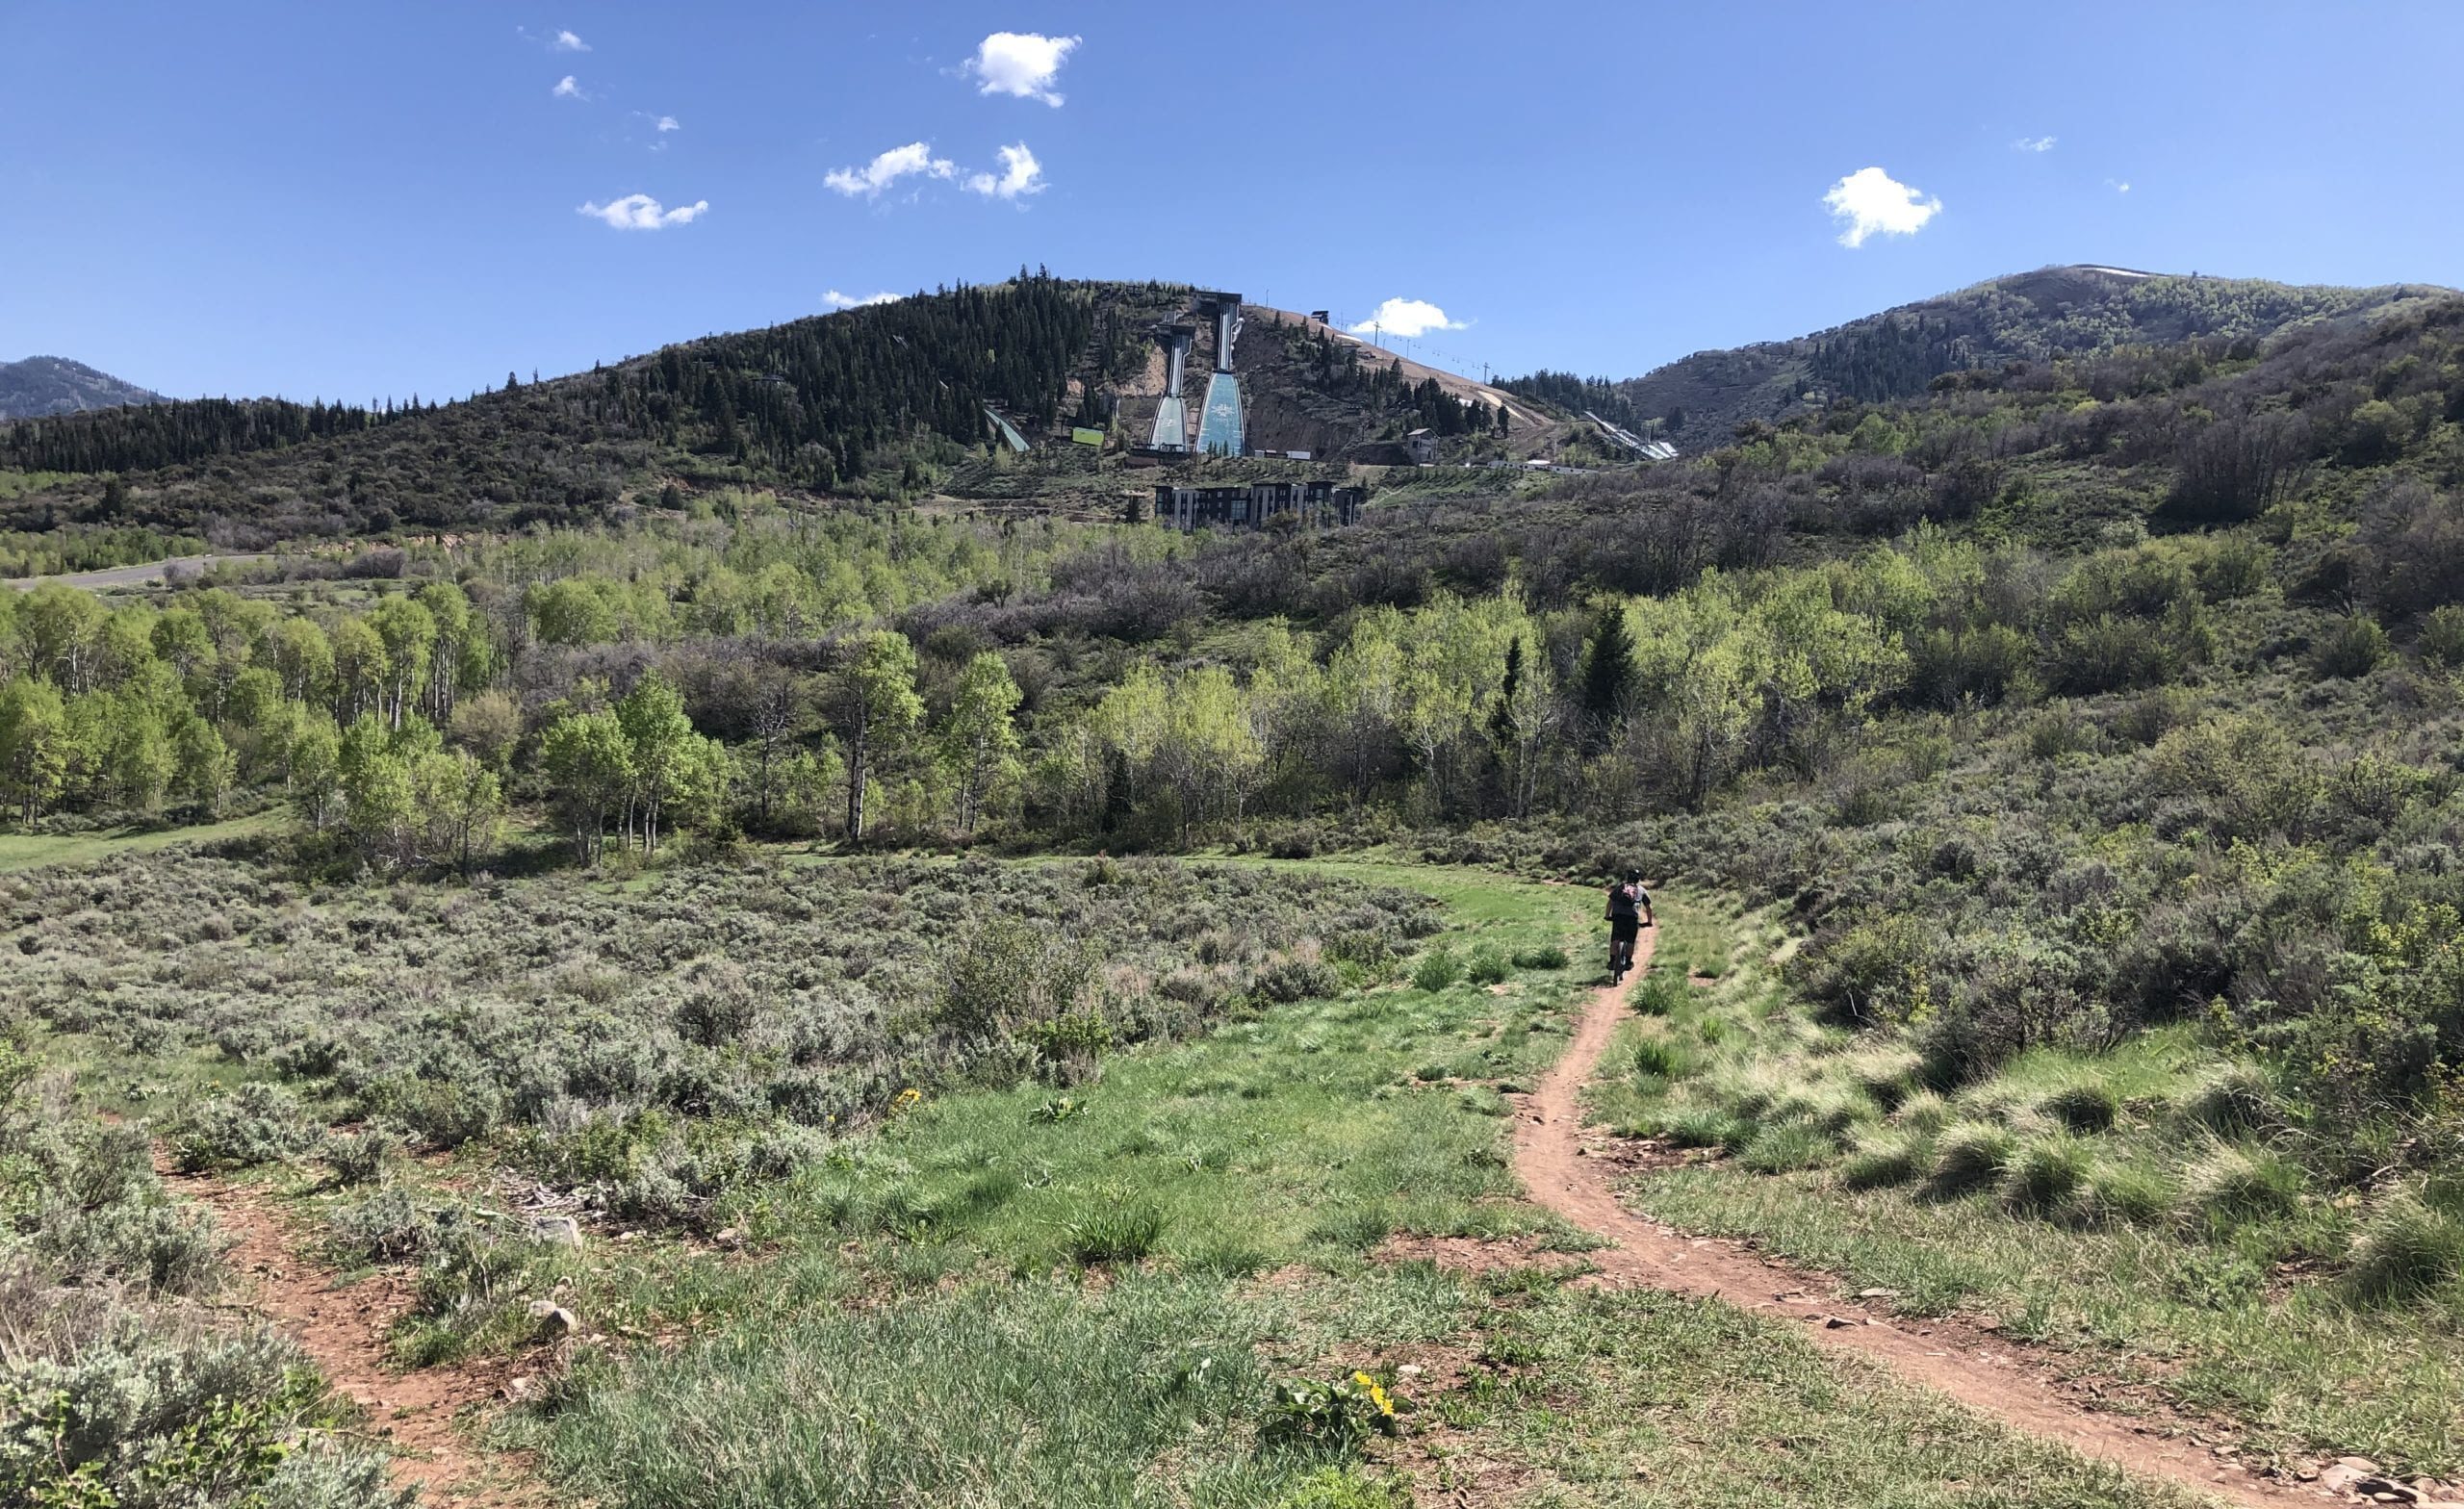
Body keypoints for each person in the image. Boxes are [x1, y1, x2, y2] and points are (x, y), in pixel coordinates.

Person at [1604, 870, 1655, 984]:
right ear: (1638, 879)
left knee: (1615, 938)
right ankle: (1628, 962)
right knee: (1630, 941)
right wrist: (1649, 921)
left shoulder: (1620, 887)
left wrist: (1607, 915)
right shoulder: (1641, 890)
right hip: (1632, 918)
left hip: (1618, 917)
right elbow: (1648, 907)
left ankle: (1612, 961)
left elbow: (1610, 902)